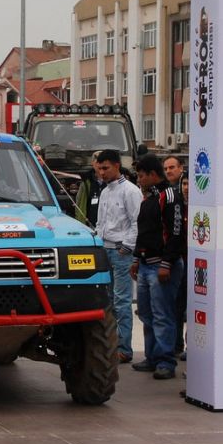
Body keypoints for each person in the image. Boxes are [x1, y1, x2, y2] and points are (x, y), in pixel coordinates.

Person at [130, 153, 184, 380]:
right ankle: (151, 357)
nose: (139, 180)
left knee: (163, 315)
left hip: (162, 266)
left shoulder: (170, 196)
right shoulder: (149, 197)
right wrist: (136, 259)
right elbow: (144, 232)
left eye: (142, 176)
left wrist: (166, 263)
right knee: (146, 314)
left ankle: (166, 361)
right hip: (145, 265)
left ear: (153, 174)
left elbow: (176, 232)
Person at [95, 149, 142, 363]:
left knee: (122, 301)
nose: (102, 172)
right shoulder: (105, 191)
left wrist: (128, 247)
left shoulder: (130, 191)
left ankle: (124, 349)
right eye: (99, 168)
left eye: (105, 168)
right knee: (108, 300)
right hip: (105, 250)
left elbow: (136, 221)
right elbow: (100, 223)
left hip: (121, 251)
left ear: (116, 165)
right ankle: (111, 345)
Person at [175, 170, 189, 357]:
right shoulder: (176, 206)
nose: (186, 188)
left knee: (193, 308)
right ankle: (176, 345)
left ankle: (190, 345)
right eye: (184, 184)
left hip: (197, 264)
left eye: (189, 184)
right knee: (177, 306)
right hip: (179, 262)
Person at [74, 151, 105, 227]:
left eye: (102, 162)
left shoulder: (113, 181)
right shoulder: (86, 182)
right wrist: (81, 227)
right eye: (97, 162)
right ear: (92, 163)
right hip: (91, 226)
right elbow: (80, 205)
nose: (99, 165)